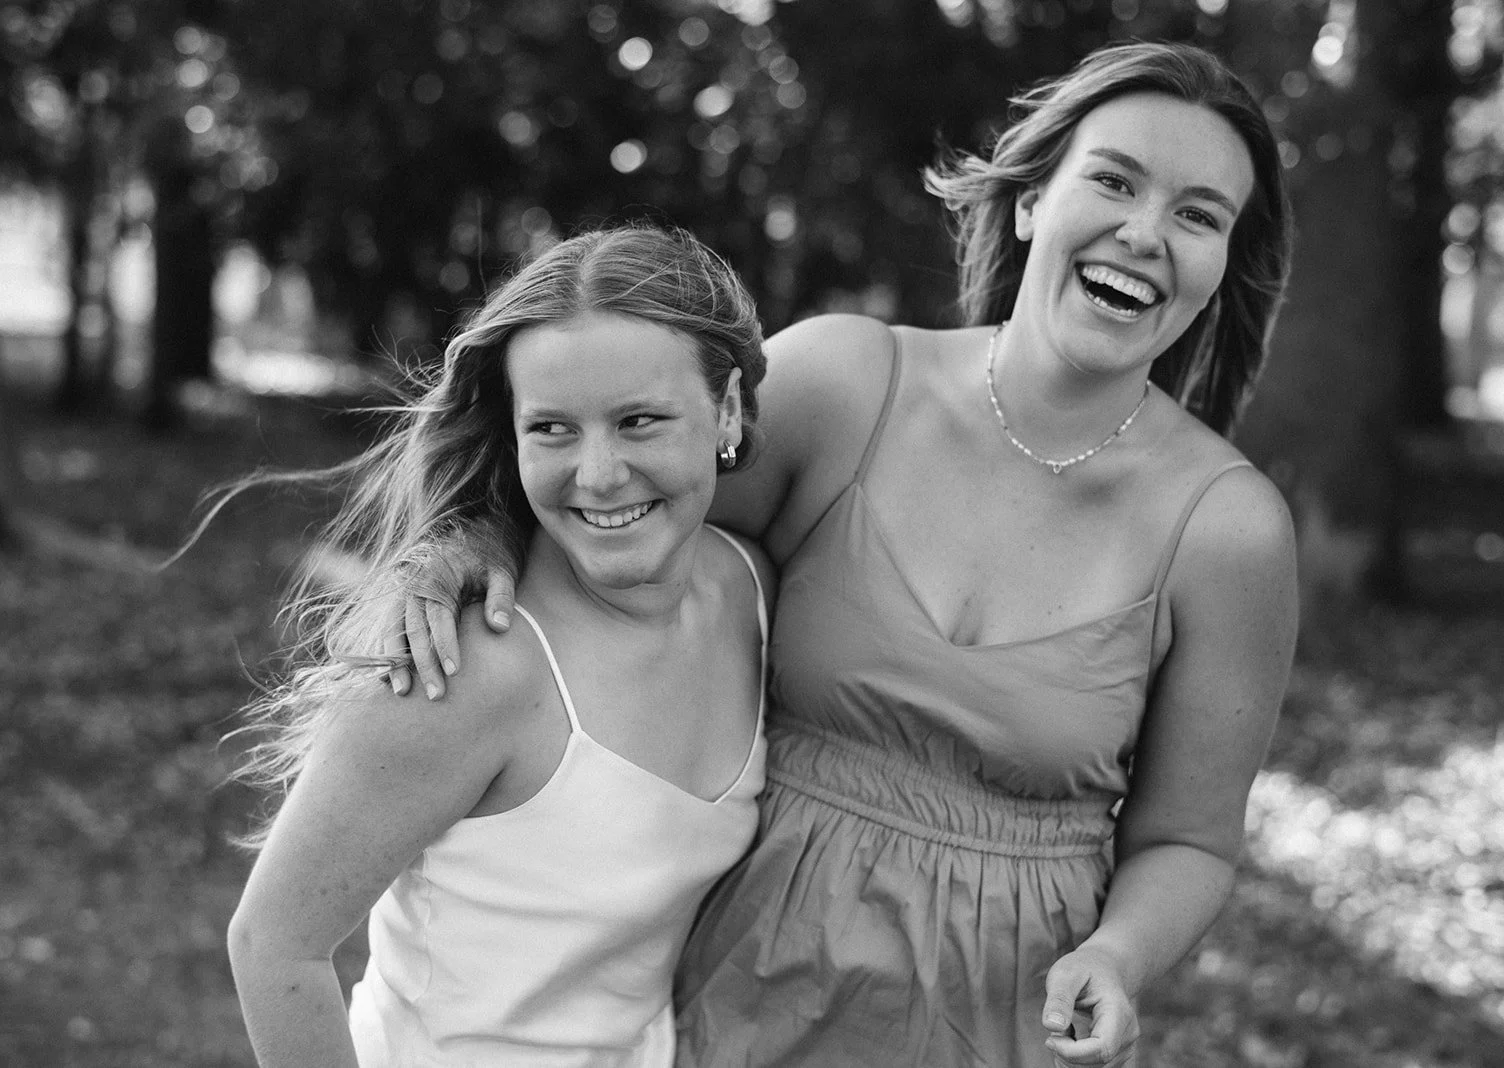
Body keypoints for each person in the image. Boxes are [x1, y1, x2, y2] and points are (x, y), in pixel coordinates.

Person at [388, 41, 1298, 1068]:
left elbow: (1189, 838)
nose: (1144, 232)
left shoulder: (1228, 532)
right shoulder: (843, 385)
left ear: (1223, 265)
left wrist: (1122, 956)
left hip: (1000, 1026)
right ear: (1033, 198)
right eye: (1114, 180)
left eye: (1197, 214)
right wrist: (467, 536)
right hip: (734, 994)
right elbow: (620, 498)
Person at [224, 224, 777, 1067]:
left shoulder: (752, 592)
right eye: (553, 429)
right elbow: (273, 946)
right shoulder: (467, 664)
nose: (597, 475)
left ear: (726, 409)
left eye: (639, 421)